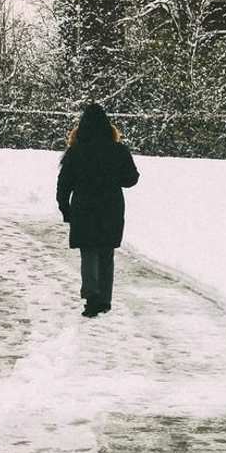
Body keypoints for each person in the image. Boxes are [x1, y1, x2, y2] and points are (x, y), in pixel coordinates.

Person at [56, 103, 140, 318]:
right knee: (106, 253)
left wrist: (65, 208)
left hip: (83, 208)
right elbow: (131, 179)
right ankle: (105, 299)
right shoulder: (119, 150)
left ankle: (92, 296)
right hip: (111, 207)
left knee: (89, 252)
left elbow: (64, 184)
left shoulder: (75, 152)